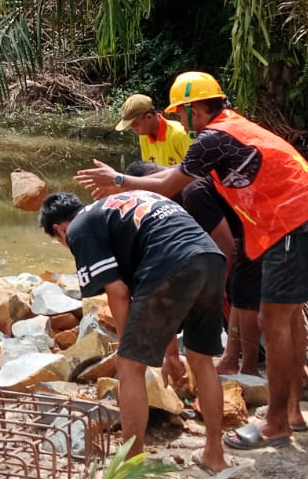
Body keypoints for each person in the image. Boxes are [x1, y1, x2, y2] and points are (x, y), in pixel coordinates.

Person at [76, 71, 308, 450]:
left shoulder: (214, 137)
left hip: (292, 225)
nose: (182, 121)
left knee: (273, 320)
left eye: (182, 113)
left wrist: (118, 180)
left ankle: (277, 424)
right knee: (290, 316)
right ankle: (292, 413)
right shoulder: (234, 128)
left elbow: (168, 184)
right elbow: (174, 175)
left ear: (195, 108)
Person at [39, 191, 231, 474]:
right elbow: (157, 295)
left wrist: (127, 348)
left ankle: (131, 466)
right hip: (209, 257)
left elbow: (119, 292)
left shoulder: (79, 229)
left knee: (128, 366)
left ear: (59, 230)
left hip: (171, 263)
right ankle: (215, 454)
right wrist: (170, 353)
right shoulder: (116, 207)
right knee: (202, 360)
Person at [125, 161, 261, 377]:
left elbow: (225, 246)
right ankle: (232, 358)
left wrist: (207, 290)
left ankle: (249, 368)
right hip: (248, 231)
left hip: (260, 230)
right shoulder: (185, 189)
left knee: (240, 294)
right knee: (236, 293)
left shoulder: (192, 191)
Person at [116, 94, 193, 167]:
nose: (133, 129)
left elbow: (194, 170)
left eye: (134, 124)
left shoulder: (181, 134)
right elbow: (148, 170)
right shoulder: (144, 137)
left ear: (149, 117)